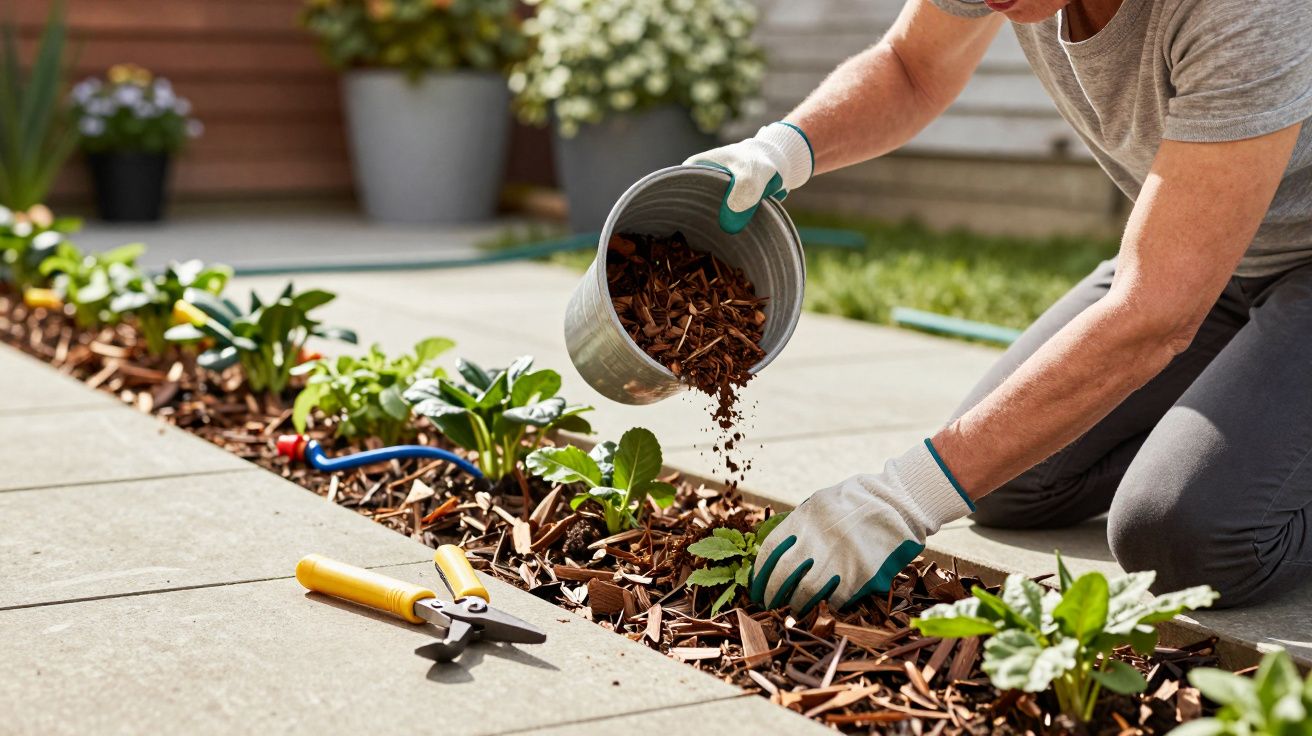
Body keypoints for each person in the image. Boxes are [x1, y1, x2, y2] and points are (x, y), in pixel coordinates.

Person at [686, 0, 1312, 613]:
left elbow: (1153, 314)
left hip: (1254, 268)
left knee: (1185, 538)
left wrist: (905, 495)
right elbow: (910, 66)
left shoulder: (1248, 11)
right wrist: (780, 150)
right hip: (1205, 257)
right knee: (1008, 481)